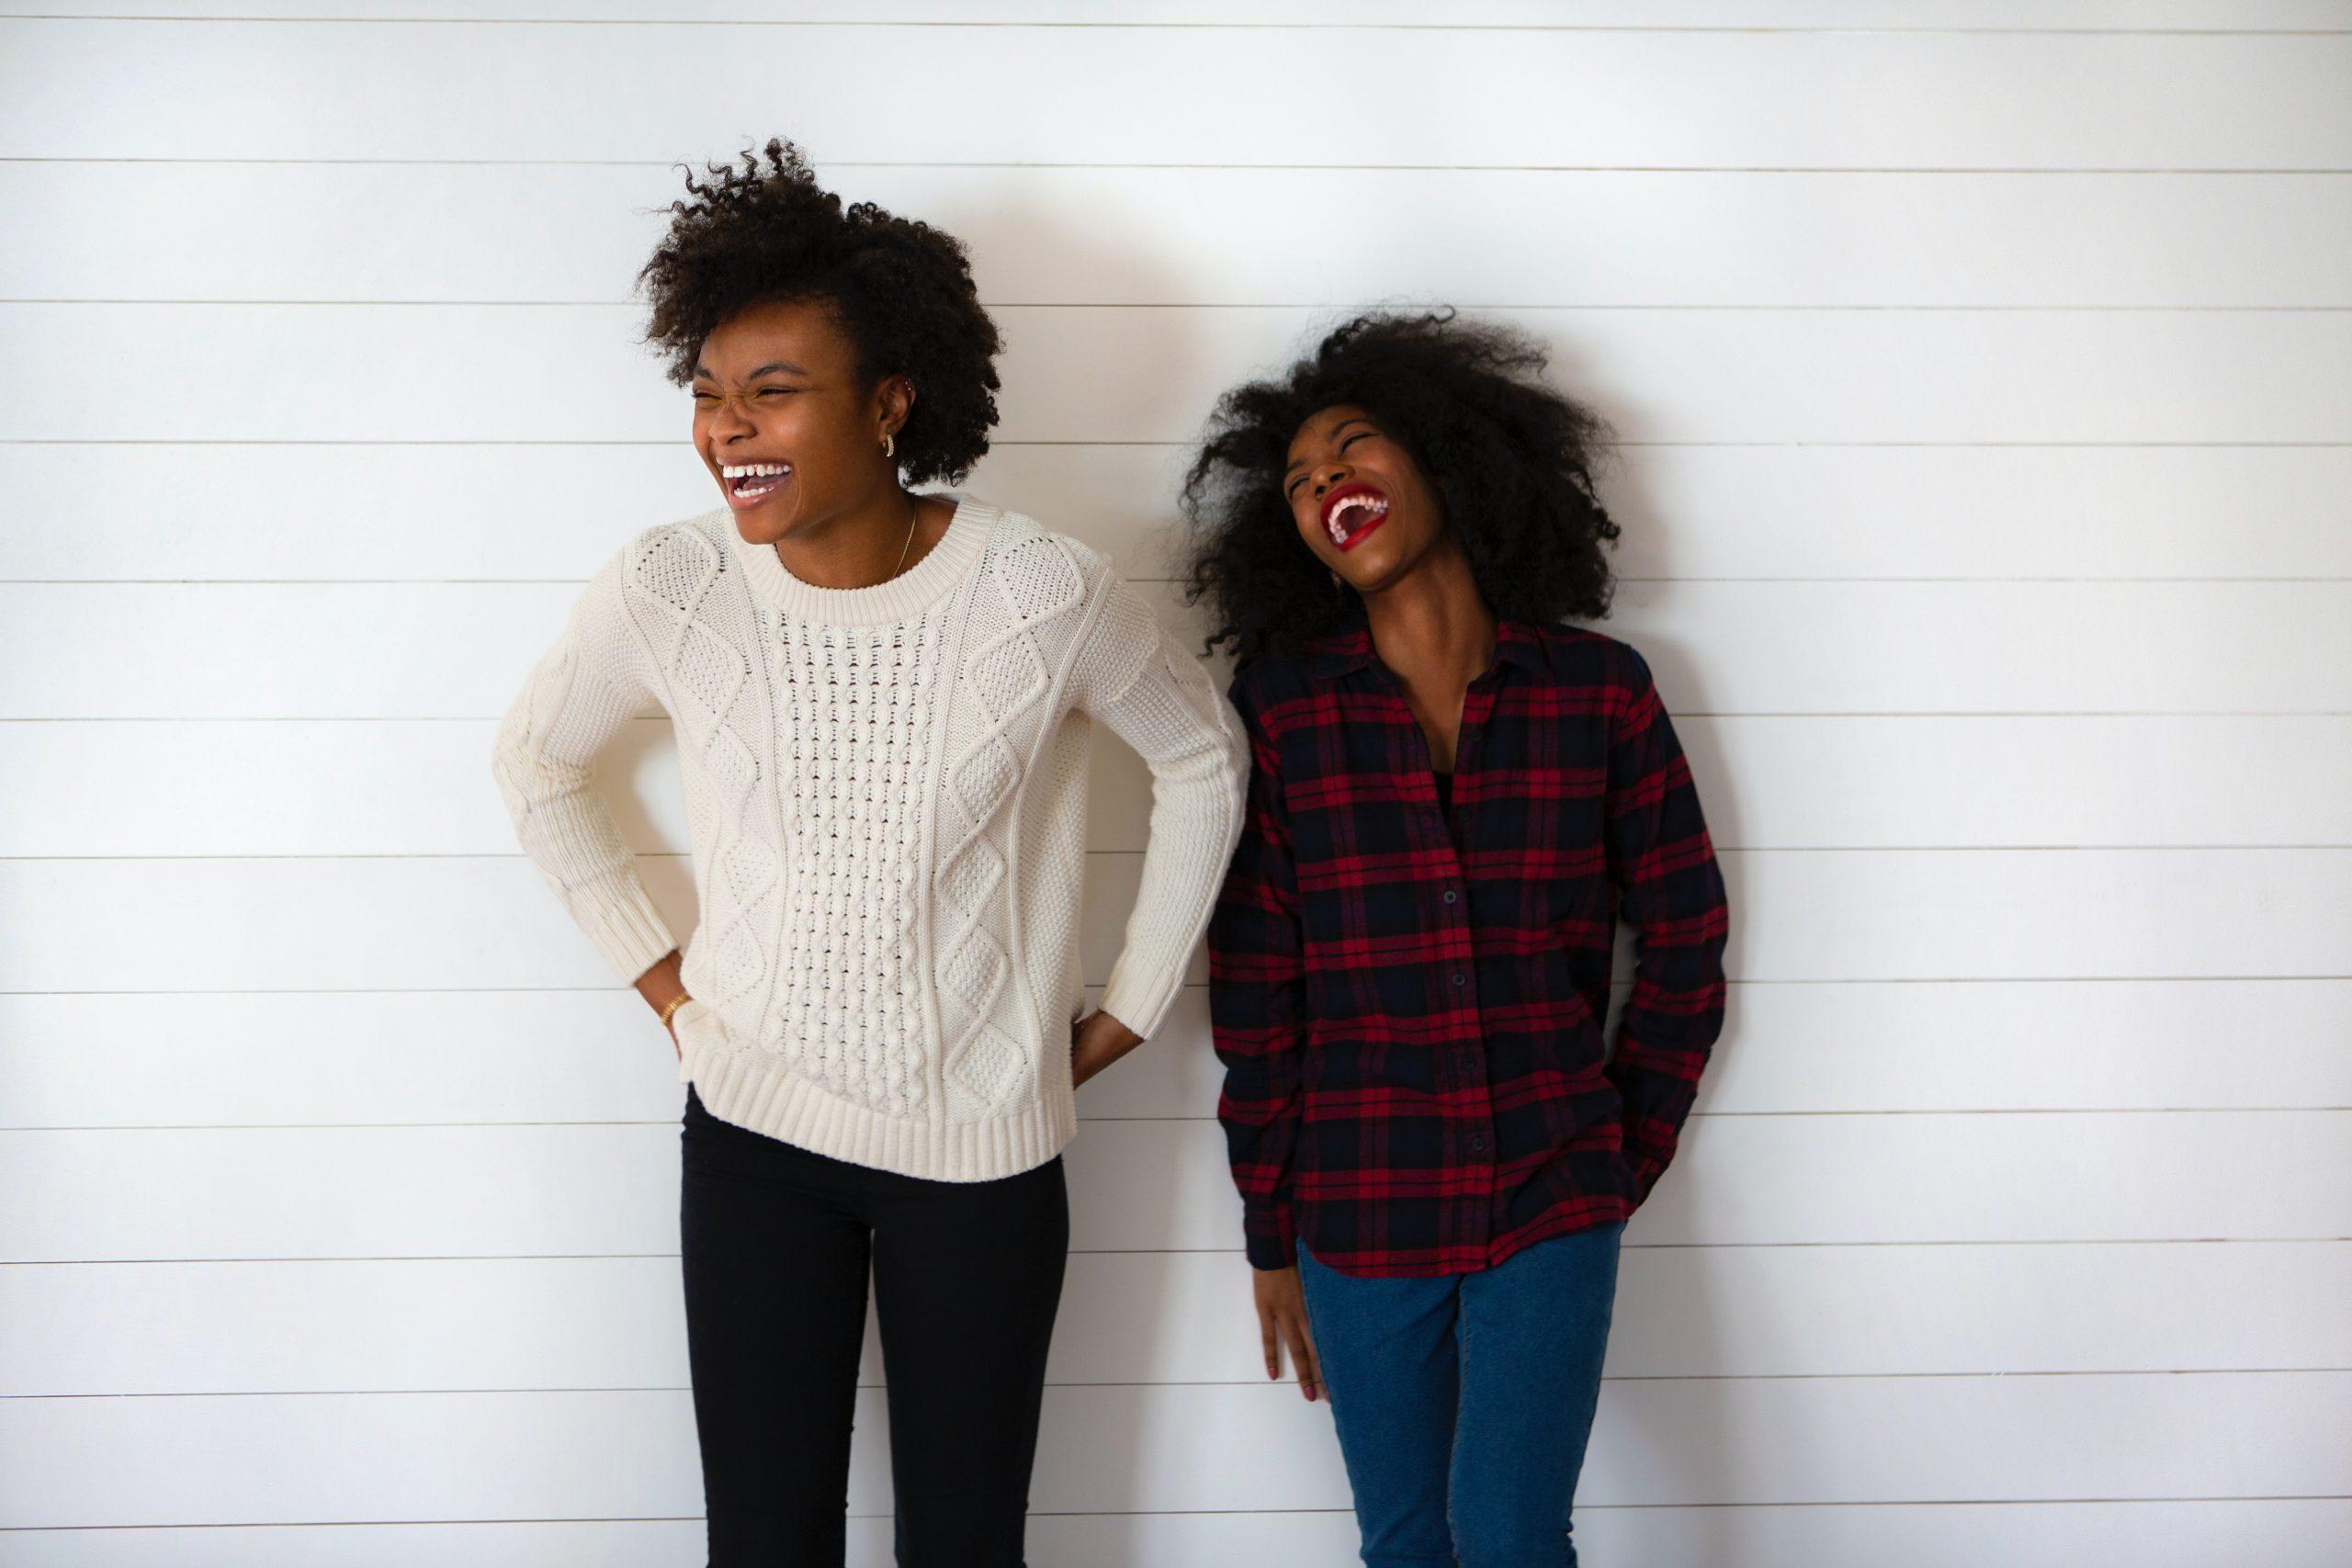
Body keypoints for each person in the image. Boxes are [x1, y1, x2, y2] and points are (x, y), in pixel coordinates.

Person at [489, 138, 1249, 1567]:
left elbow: (1204, 756)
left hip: (987, 1155)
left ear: (891, 402)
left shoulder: (1042, 593)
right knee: (765, 1547)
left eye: (773, 391)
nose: (729, 431)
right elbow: (534, 761)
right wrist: (666, 989)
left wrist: (1135, 1003)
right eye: (709, 395)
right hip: (755, 1136)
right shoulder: (673, 582)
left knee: (966, 1549)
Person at [1182, 310, 1731, 1568]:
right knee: (1408, 1544)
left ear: (1447, 461)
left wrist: (1615, 1154)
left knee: (1513, 1532)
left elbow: (1687, 940)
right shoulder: (1282, 718)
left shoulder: (1601, 694)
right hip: (1360, 1207)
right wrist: (1272, 1231)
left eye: (1353, 448)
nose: (1325, 484)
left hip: (1555, 1188)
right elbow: (1259, 995)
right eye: (1302, 482)